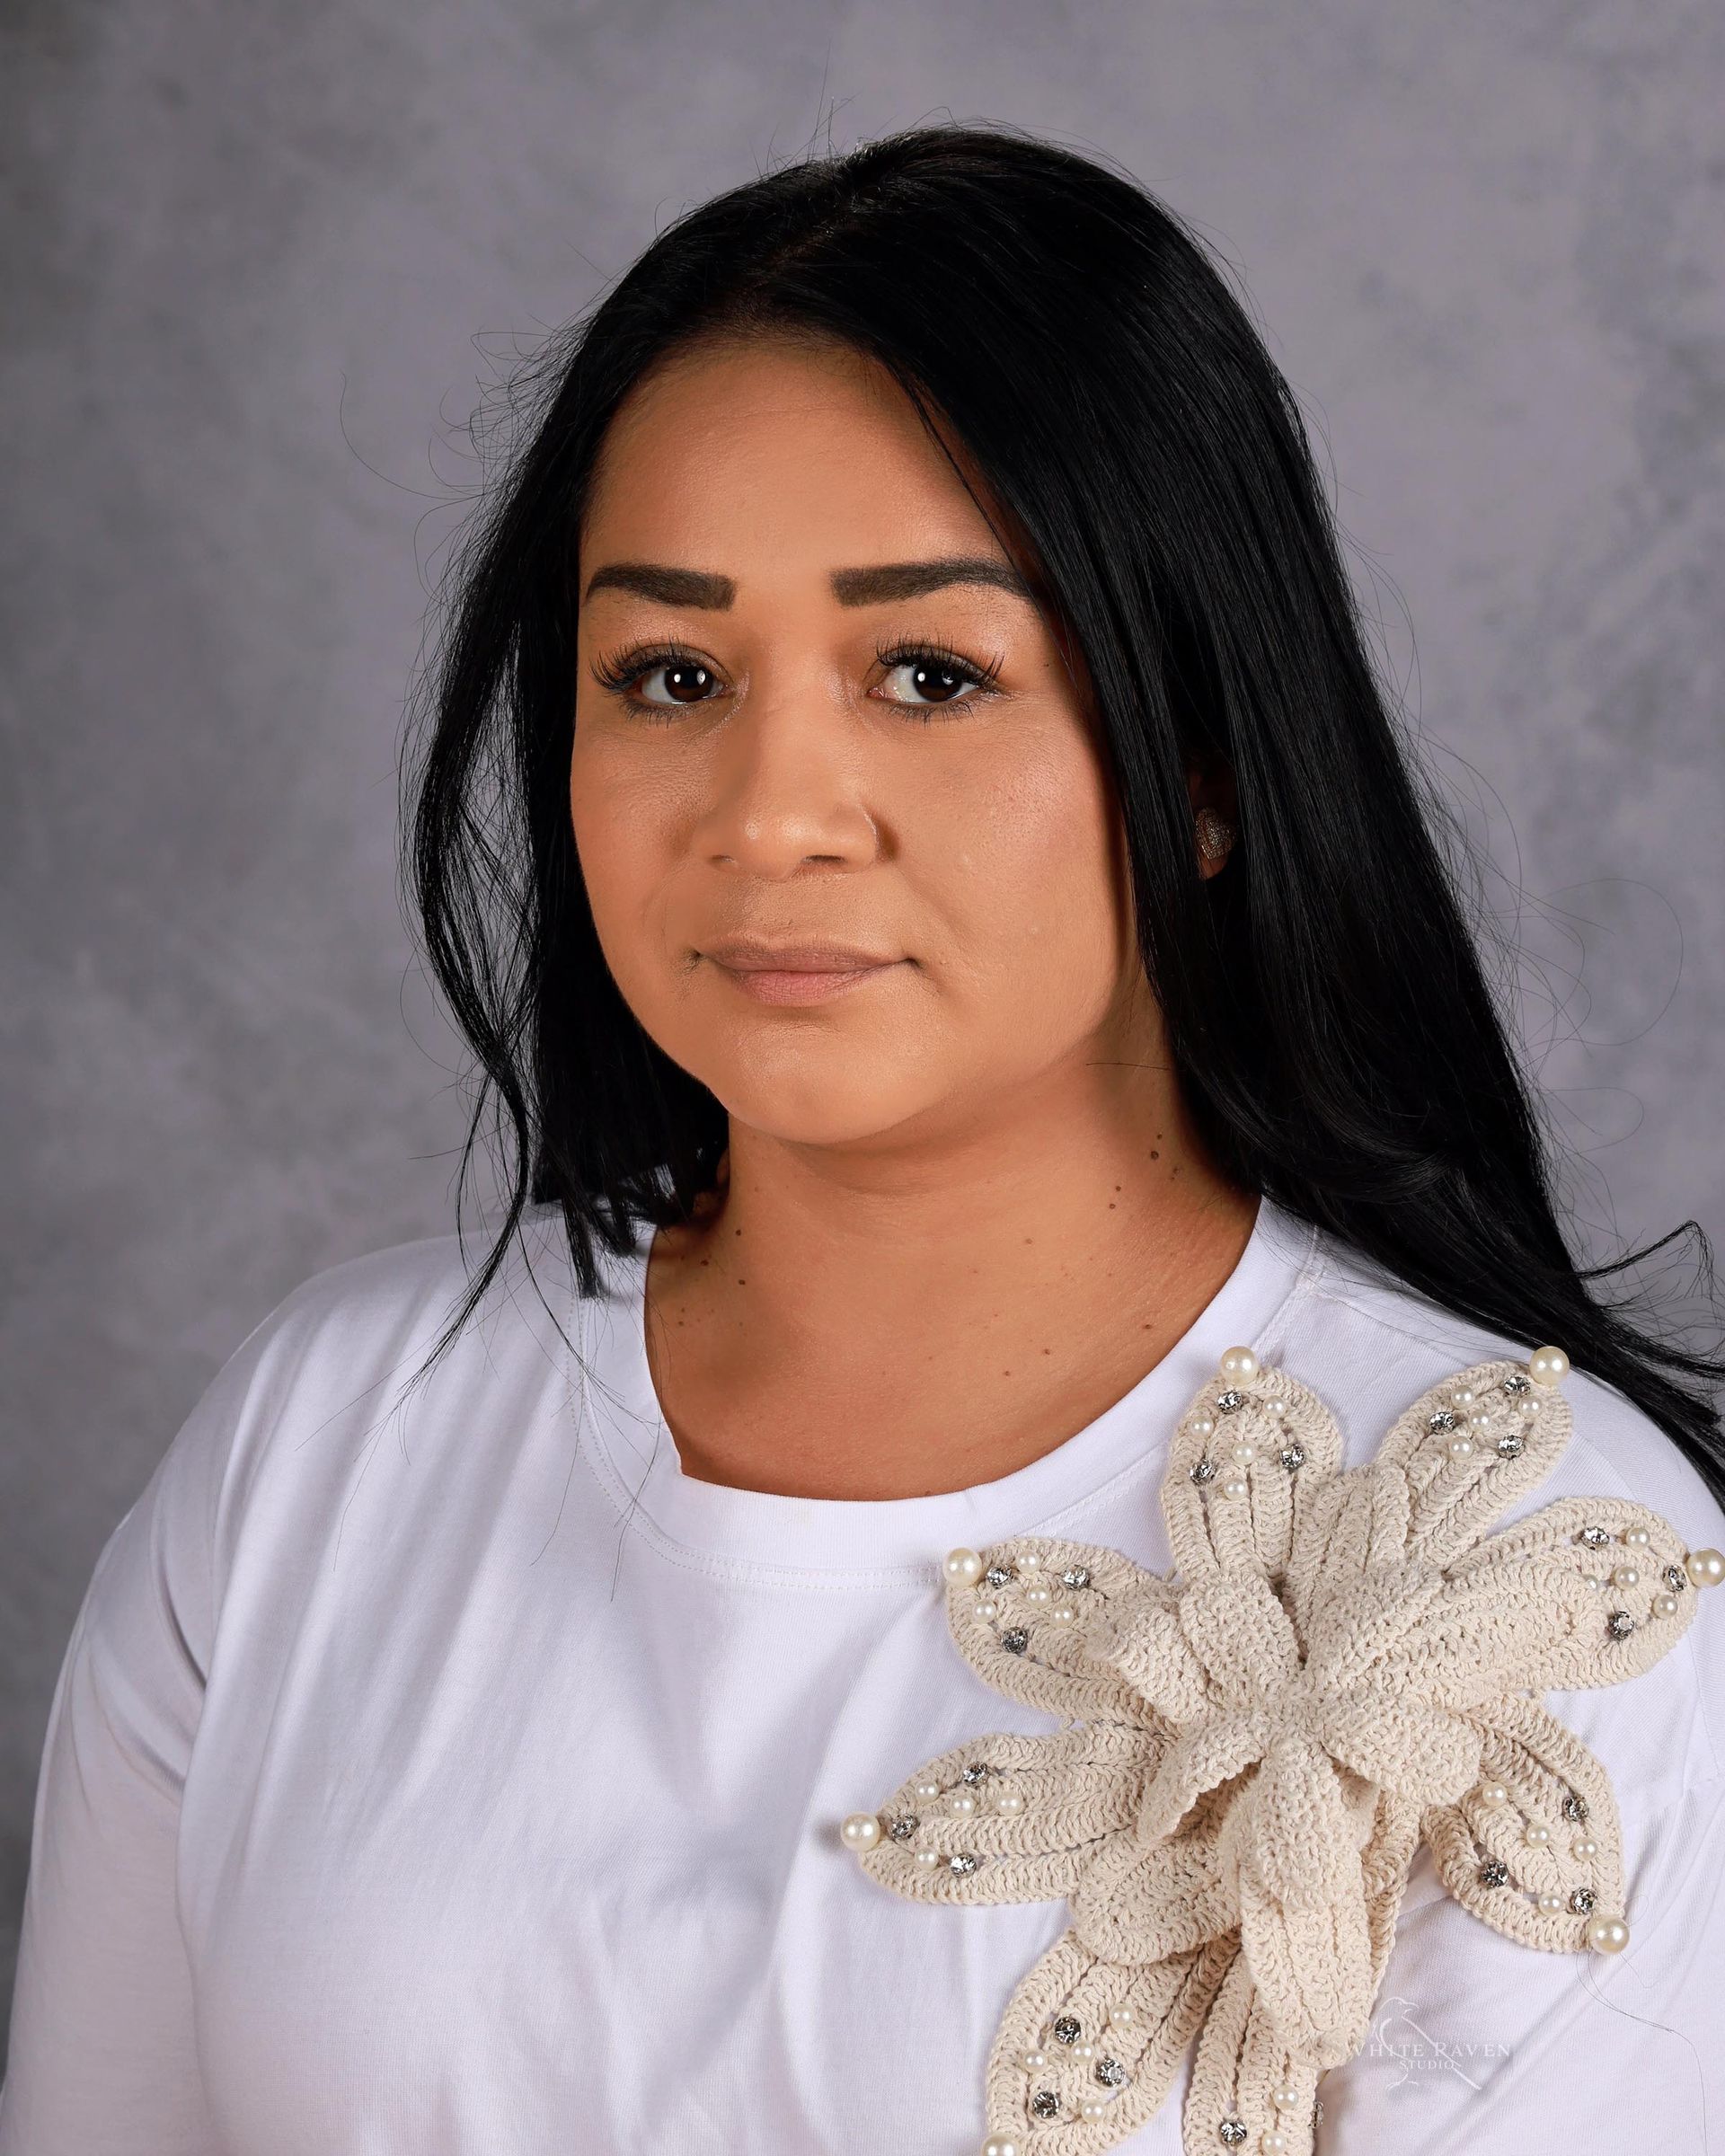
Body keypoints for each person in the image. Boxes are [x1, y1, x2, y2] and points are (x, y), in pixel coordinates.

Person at [3, 121, 1721, 2156]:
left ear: (1198, 772)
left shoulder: (1536, 1586)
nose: (770, 809)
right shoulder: (323, 1448)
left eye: (928, 671)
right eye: (669, 672)